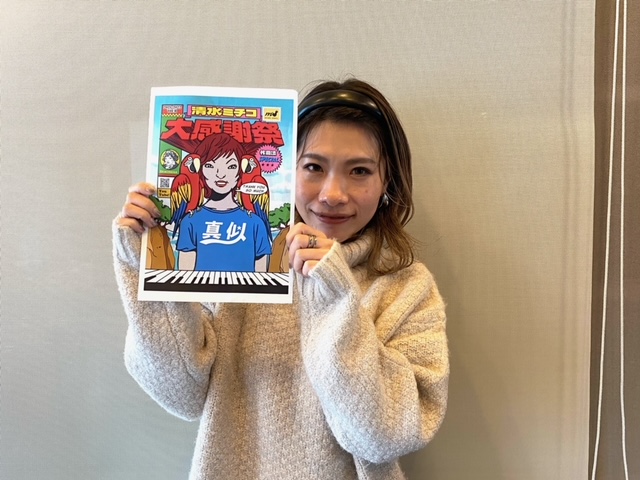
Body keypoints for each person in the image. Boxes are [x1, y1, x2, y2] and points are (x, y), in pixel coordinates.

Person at [113, 78, 449, 480]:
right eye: (313, 167)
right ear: (288, 171)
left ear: (387, 182)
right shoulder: (240, 262)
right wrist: (148, 262)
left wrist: (334, 295)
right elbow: (180, 393)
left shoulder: (407, 287)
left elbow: (383, 436)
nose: (332, 194)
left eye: (359, 170)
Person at [175, 132, 272, 272]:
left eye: (231, 166)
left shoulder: (256, 223)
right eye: (210, 166)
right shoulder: (190, 221)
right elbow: (185, 275)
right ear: (200, 170)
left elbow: (262, 276)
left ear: (240, 171)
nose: (220, 174)